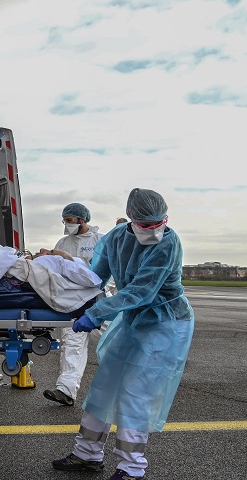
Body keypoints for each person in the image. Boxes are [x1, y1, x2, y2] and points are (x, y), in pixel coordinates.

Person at [52, 188, 194, 480]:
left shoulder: (169, 242)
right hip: (134, 319)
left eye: (159, 223)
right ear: (131, 218)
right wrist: (67, 293)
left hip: (164, 322)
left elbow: (142, 291)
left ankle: (131, 467)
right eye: (146, 225)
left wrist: (96, 314)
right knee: (103, 387)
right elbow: (96, 277)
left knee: (135, 392)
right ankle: (87, 454)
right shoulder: (115, 239)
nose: (154, 230)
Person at [42, 203, 104, 406]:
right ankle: (66, 391)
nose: (66, 225)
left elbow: (104, 271)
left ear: (82, 220)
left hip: (101, 304)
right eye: (64, 221)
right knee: (72, 346)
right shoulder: (62, 242)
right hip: (74, 303)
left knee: (113, 344)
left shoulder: (100, 240)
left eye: (69, 221)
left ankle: (132, 387)